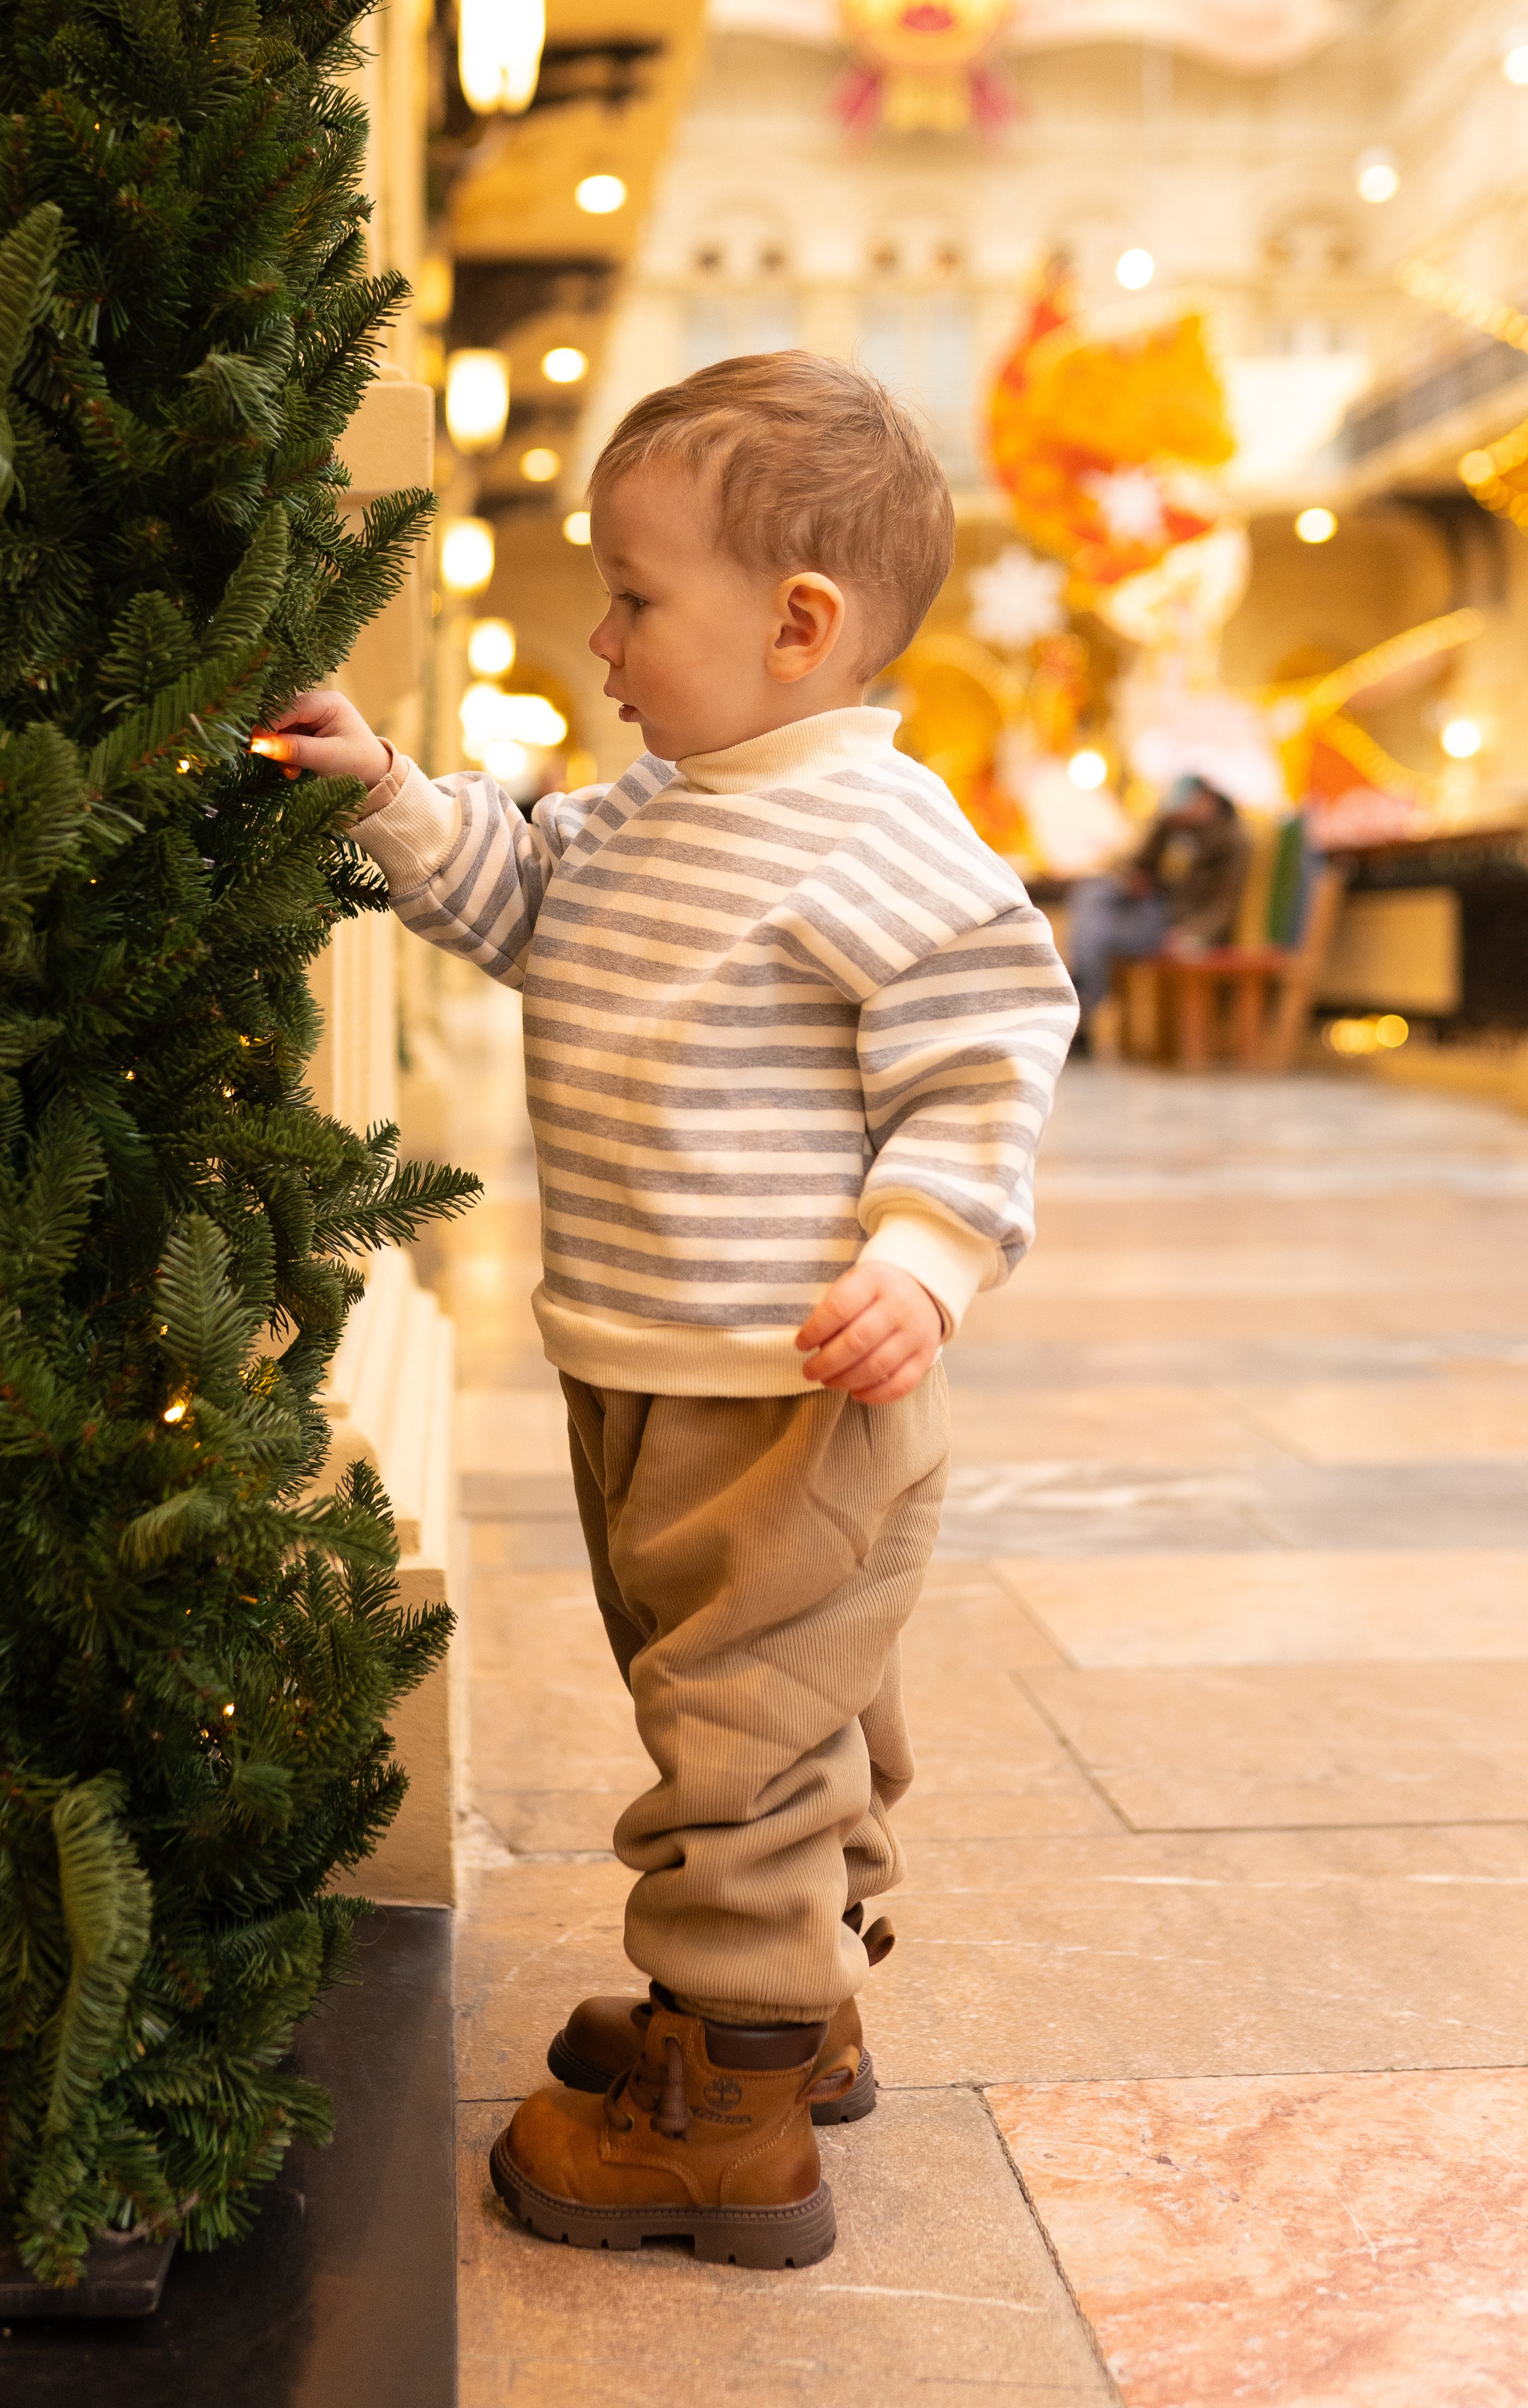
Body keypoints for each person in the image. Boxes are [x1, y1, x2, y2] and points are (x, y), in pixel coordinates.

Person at [251, 351, 1076, 2269]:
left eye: (635, 594)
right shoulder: (645, 819)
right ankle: (790, 1996)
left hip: (791, 1384)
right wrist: (384, 788)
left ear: (802, 625)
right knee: (769, 1698)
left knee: (735, 1730)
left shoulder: (882, 844)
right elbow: (517, 892)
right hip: (645, 1357)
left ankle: (726, 2116)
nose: (601, 635)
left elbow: (986, 1055)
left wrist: (924, 1256)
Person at [1066, 774, 1251, 1025]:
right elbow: (1138, 864)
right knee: (1092, 894)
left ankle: (1083, 999)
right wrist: (1132, 879)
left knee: (1099, 932)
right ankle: (1084, 998)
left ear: (1207, 801)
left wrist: (1191, 935)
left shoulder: (1232, 841)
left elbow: (1225, 907)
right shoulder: (1171, 827)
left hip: (1176, 924)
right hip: (1147, 907)